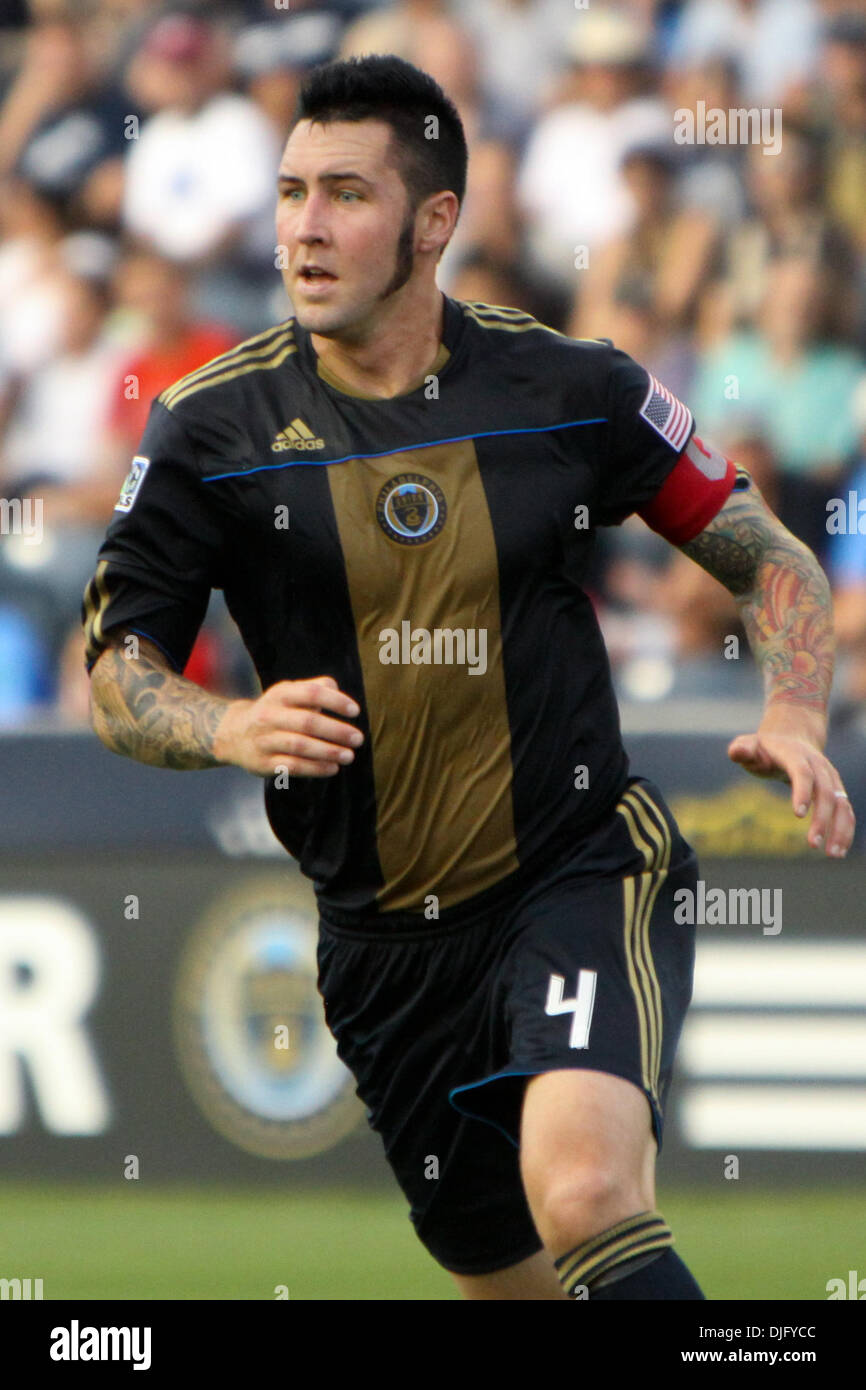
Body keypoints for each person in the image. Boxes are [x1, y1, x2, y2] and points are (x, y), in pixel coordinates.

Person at [82, 55, 855, 1301]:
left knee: (588, 1191)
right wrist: (227, 724)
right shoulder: (205, 430)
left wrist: (792, 706)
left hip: (573, 866)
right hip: (380, 949)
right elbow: (115, 673)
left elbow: (767, 556)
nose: (304, 228)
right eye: (289, 193)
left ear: (434, 221)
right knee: (518, 1284)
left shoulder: (567, 388)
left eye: (345, 194)